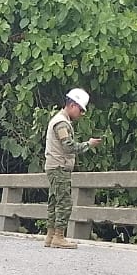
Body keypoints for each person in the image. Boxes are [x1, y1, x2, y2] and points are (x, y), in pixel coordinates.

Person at [43, 88, 101, 249]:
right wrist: (87, 144)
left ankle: (50, 235)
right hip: (59, 166)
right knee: (64, 202)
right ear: (73, 105)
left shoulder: (59, 120)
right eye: (81, 109)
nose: (82, 114)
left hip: (53, 166)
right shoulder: (61, 123)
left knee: (54, 201)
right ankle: (59, 236)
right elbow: (68, 146)